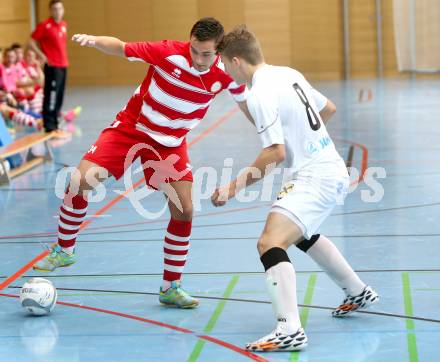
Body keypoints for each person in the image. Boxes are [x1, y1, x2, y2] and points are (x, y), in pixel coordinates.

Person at [33, 18, 250, 309]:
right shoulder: (167, 53)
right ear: (189, 42)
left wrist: (271, 130)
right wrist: (96, 40)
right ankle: (64, 248)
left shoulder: (226, 75)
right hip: (132, 128)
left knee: (184, 211)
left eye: (206, 54)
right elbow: (122, 48)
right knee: (79, 182)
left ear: (219, 51)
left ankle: (170, 287)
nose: (198, 59)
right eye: (195, 51)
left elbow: (249, 103)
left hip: (169, 144)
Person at [211, 25, 379, 351]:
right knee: (301, 234)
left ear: (235, 62)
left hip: (314, 177)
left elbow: (275, 153)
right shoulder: (287, 73)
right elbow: (327, 108)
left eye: (223, 64)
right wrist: (305, 140)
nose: (224, 70)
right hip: (327, 168)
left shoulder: (259, 92)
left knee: (269, 242)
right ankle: (358, 292)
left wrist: (232, 187)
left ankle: (289, 329)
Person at [29, 0, 69, 137]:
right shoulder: (45, 26)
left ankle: (56, 124)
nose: (58, 11)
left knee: (59, 96)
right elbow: (31, 41)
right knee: (51, 96)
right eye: (55, 9)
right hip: (52, 66)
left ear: (63, 10)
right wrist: (42, 55)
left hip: (63, 65)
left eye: (60, 8)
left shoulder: (64, 25)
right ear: (51, 11)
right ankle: (49, 127)